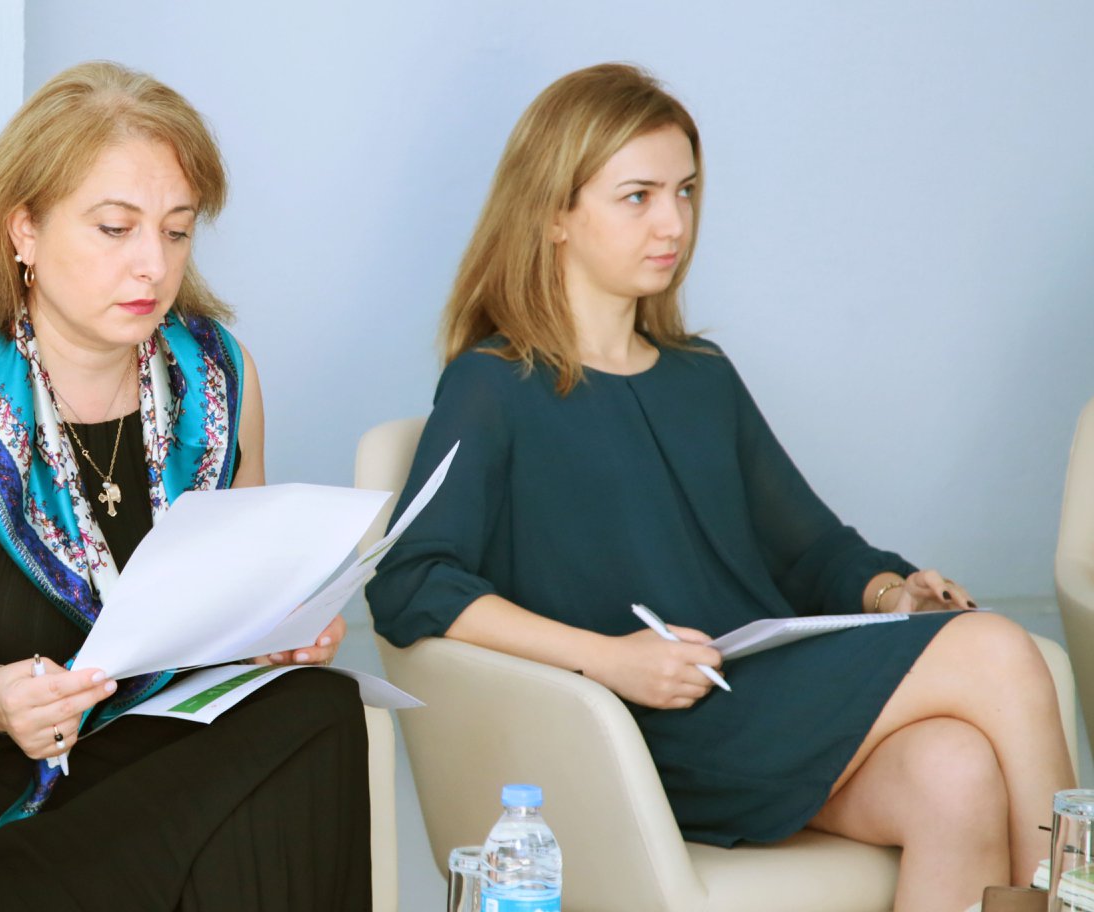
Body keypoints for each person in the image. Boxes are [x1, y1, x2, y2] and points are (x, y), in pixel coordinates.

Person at [366, 63, 1072, 912]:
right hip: (632, 734)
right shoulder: (493, 383)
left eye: (686, 191)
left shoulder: (702, 376)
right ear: (554, 213)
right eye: (638, 196)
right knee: (996, 650)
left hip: (750, 701)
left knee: (955, 773)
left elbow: (809, 550)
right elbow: (413, 583)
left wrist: (893, 592)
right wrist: (613, 660)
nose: (673, 223)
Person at [0, 61, 370, 911]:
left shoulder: (217, 377)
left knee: (315, 703)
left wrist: (277, 633)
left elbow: (238, 595)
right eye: (115, 228)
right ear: (24, 230)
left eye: (176, 232)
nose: (152, 266)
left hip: (138, 746)